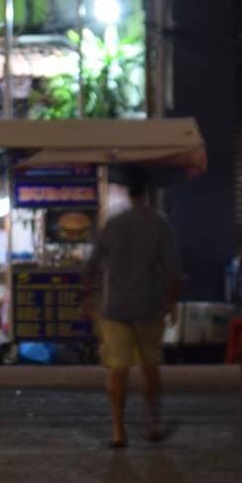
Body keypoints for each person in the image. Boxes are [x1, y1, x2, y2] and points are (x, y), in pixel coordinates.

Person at [85, 164, 183, 448]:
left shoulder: (113, 224)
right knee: (150, 367)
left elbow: (91, 265)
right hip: (149, 307)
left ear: (129, 194)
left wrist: (86, 298)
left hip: (115, 308)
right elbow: (172, 271)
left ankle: (118, 429)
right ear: (150, 193)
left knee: (117, 369)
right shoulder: (160, 224)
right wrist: (172, 302)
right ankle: (153, 423)